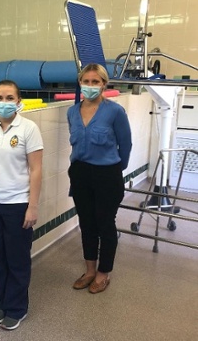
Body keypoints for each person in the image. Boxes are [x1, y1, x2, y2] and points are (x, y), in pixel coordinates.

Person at [0, 79, 43, 331]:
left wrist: (32, 206)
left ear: (18, 101)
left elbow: (36, 170)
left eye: (9, 98)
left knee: (17, 258)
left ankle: (17, 308)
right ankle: (2, 302)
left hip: (17, 204)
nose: (4, 103)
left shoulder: (29, 128)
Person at [67, 63, 132, 294]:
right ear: (80, 83)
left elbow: (125, 145)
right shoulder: (72, 112)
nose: (91, 86)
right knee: (86, 224)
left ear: (104, 84)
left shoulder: (115, 112)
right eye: (87, 81)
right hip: (80, 173)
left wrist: (115, 170)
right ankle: (90, 270)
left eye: (96, 82)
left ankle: (104, 273)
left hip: (107, 174)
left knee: (105, 224)